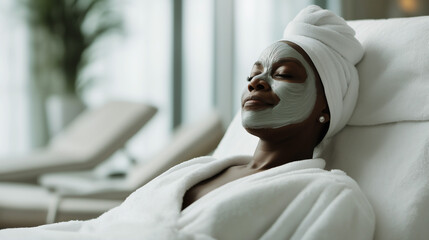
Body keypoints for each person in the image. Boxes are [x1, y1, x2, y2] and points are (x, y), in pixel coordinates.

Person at [0, 5, 375, 240]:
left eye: (285, 74)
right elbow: (101, 226)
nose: (256, 82)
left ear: (327, 107)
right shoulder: (198, 169)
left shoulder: (330, 196)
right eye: (254, 73)